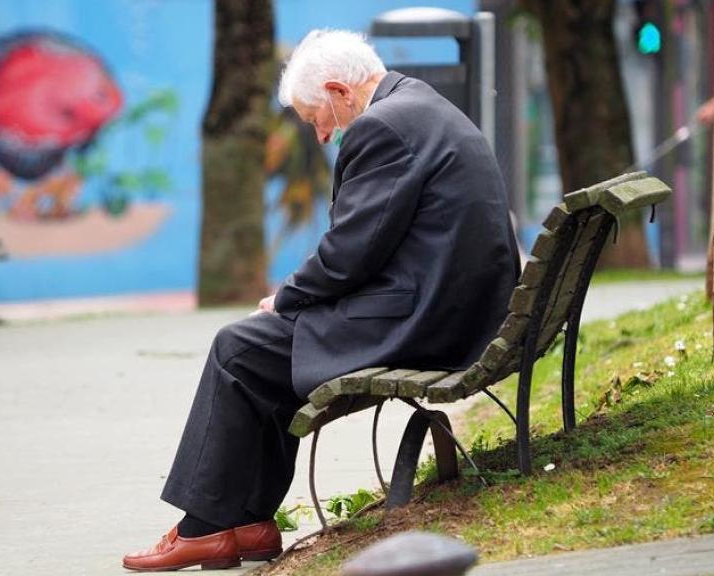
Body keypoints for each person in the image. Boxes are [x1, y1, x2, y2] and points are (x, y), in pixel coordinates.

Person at [123, 29, 520, 571]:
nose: (320, 136)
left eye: (315, 119)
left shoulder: (382, 125)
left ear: (339, 91)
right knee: (266, 352)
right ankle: (248, 524)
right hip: (457, 309)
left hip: (427, 320)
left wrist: (287, 298)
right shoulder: (419, 105)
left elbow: (348, 253)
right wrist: (298, 304)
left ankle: (207, 528)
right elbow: (374, 245)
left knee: (238, 347)